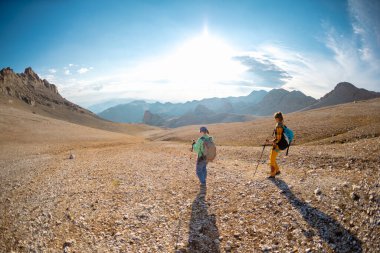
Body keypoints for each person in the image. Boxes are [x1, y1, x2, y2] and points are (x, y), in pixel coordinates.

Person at [267, 112, 286, 179]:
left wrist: (272, 142)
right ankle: (277, 171)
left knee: (272, 159)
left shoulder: (279, 125)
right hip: (280, 145)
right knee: (272, 157)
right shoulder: (282, 124)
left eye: (275, 118)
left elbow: (278, 138)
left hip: (277, 145)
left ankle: (272, 174)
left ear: (277, 118)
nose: (275, 119)